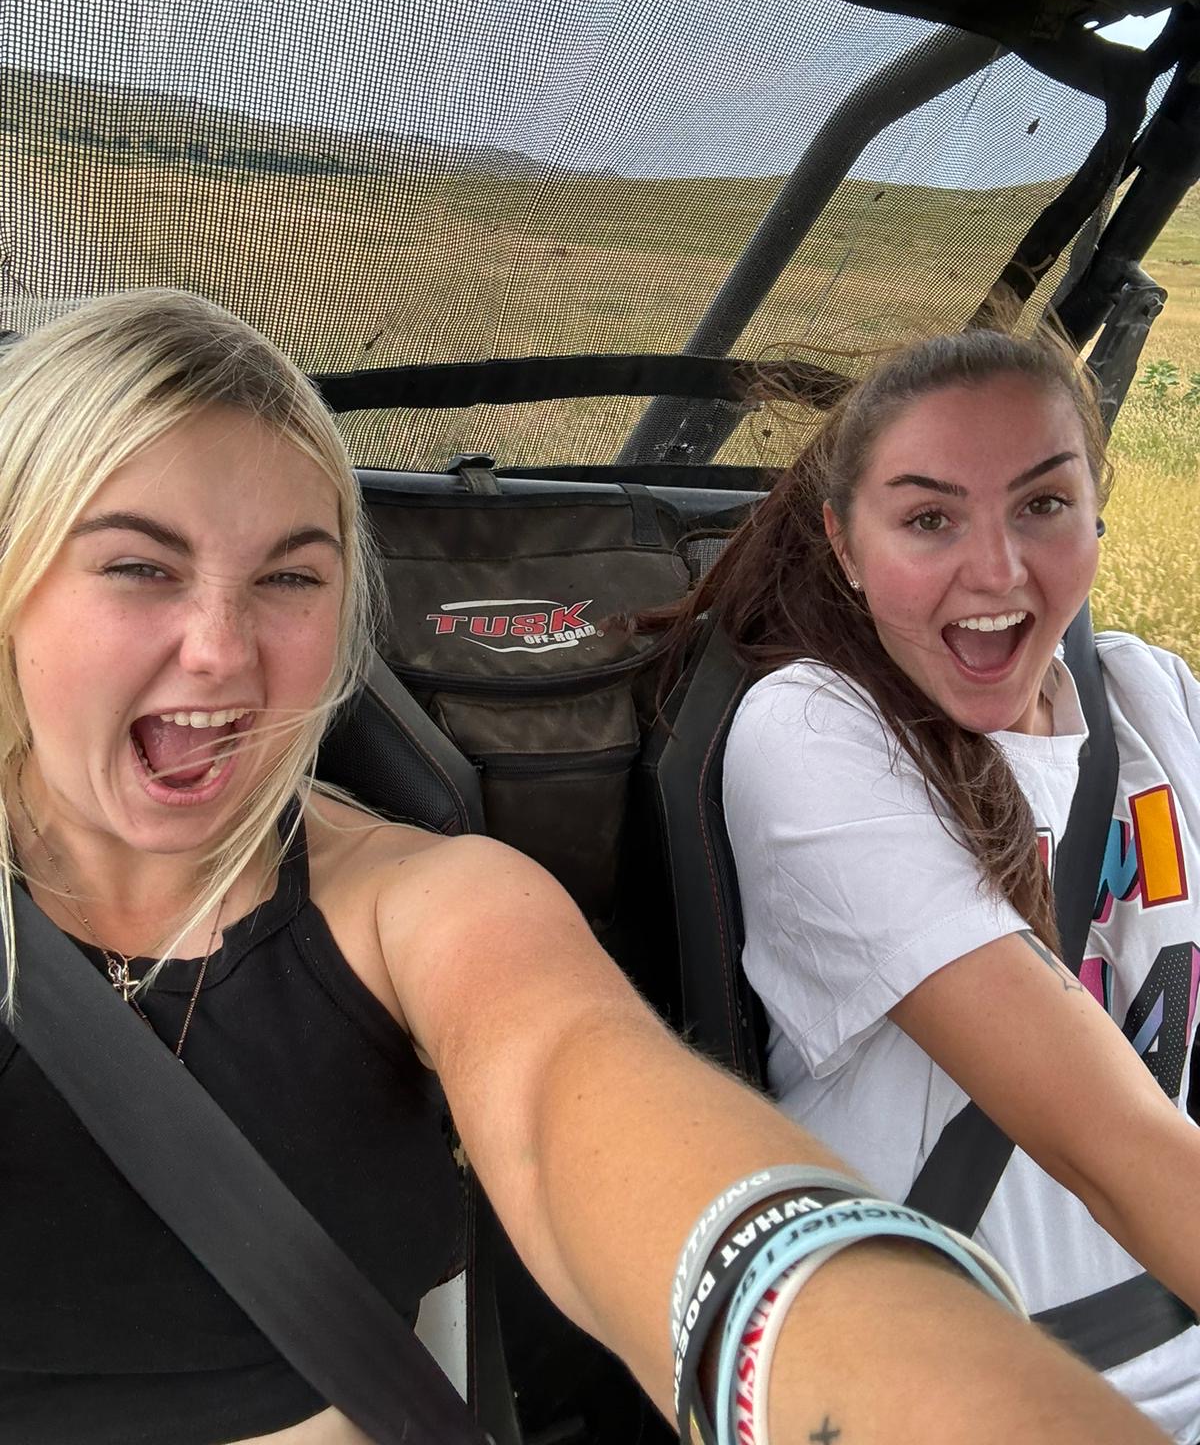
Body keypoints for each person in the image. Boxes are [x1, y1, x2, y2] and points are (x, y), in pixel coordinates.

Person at [0, 292, 1173, 1445]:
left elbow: (585, 1099)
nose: (221, 648)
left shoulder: (431, 904)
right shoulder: (817, 733)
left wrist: (856, 1368)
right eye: (139, 567)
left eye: (290, 577)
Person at [645, 328, 1200, 1441]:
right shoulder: (813, 734)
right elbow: (1105, 1139)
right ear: (844, 545)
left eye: (1043, 504)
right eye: (930, 519)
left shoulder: (1155, 699)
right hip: (963, 1394)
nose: (995, 571)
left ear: (1097, 511)